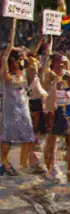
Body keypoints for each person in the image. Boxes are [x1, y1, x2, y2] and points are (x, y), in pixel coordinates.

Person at [2, 45, 38, 174]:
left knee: (28, 137)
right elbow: (5, 68)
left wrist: (31, 61)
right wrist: (6, 55)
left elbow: (32, 67)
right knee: (8, 138)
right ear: (13, 60)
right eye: (19, 59)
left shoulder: (23, 74)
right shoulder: (5, 73)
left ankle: (22, 165)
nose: (22, 61)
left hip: (23, 108)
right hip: (11, 109)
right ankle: (4, 163)